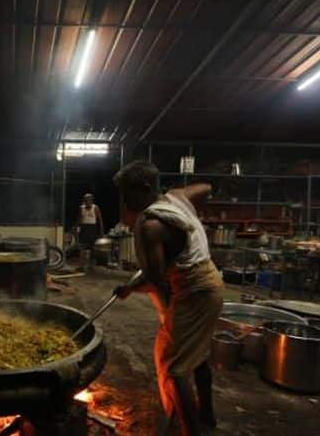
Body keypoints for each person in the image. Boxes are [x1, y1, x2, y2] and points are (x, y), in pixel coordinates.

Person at [112, 161, 224, 436]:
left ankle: (190, 430)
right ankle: (206, 415)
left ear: (147, 188)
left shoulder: (151, 225)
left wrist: (132, 289)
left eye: (129, 193)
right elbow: (206, 187)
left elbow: (155, 279)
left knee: (174, 367)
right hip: (212, 282)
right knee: (197, 356)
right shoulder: (177, 197)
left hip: (195, 290)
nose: (125, 201)